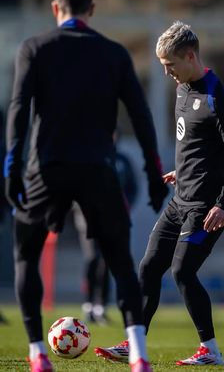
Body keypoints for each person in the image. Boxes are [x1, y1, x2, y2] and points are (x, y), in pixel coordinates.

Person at [4, 0, 168, 372]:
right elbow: (141, 116)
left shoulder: (35, 48)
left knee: (25, 256)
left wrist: (12, 167)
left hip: (47, 169)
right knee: (121, 262)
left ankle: (38, 354)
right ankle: (139, 356)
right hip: (98, 168)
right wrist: (152, 172)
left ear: (55, 8)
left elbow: (18, 108)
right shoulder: (113, 54)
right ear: (92, 10)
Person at [95, 21, 224, 366]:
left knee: (182, 272)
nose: (167, 72)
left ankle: (211, 351)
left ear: (190, 56)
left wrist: (223, 204)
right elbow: (197, 144)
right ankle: (134, 343)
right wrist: (182, 171)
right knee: (147, 268)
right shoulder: (182, 88)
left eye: (170, 64)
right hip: (180, 199)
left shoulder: (217, 97)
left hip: (205, 207)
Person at [74, 134, 139, 325]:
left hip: (112, 217)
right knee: (92, 258)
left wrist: (126, 205)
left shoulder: (122, 161)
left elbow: (133, 187)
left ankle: (101, 306)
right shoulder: (86, 156)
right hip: (86, 216)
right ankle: (88, 304)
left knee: (107, 260)